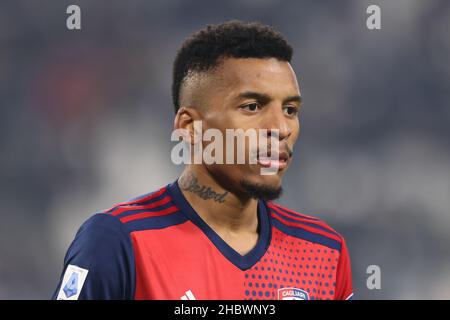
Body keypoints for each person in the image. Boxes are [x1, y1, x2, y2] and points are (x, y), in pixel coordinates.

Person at [53, 20, 353, 300]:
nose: (281, 129)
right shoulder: (119, 242)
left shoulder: (324, 252)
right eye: (252, 106)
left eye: (290, 110)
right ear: (190, 127)